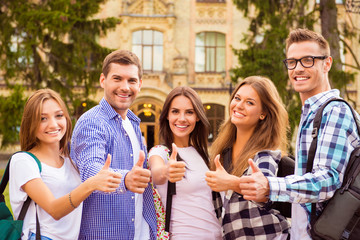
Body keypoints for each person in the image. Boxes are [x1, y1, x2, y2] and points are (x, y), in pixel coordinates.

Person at [237, 28, 360, 240]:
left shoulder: (334, 111)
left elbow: (327, 181)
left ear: (327, 64)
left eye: (308, 60)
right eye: (292, 62)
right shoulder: (312, 114)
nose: (298, 68)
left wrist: (270, 185)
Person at [9, 89, 122, 240]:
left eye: (59, 115)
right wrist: (91, 184)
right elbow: (54, 209)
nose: (53, 124)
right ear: (31, 124)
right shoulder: (23, 161)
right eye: (43, 118)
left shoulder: (70, 163)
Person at [70, 50, 156, 239]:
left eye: (132, 81)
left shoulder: (133, 123)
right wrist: (125, 179)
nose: (125, 87)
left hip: (138, 233)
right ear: (103, 80)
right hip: (104, 234)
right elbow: (91, 169)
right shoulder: (92, 122)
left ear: (140, 84)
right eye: (117, 79)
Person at [205, 76, 290, 239]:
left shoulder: (266, 154)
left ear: (263, 114)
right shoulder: (223, 154)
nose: (239, 105)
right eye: (237, 98)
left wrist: (231, 182)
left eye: (249, 102)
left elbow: (263, 193)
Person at [148, 86, 222, 239]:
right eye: (175, 111)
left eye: (189, 112)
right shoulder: (160, 152)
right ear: (167, 115)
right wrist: (166, 171)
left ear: (198, 117)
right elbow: (156, 173)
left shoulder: (203, 155)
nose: (182, 118)